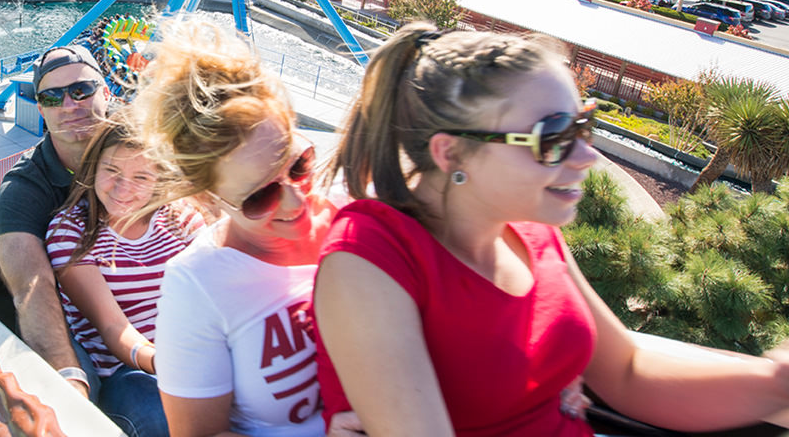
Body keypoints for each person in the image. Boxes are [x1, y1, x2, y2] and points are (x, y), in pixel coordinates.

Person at [313, 23, 789, 437]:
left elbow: (627, 373)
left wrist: (776, 382)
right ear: (451, 153)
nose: (587, 157)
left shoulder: (529, 230)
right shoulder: (369, 258)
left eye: (584, 126)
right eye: (553, 138)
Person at [130, 19, 356, 437]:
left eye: (300, 164)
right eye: (260, 197)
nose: (296, 199)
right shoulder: (198, 286)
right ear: (209, 199)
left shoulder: (354, 214)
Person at [46, 117, 204, 437]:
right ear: (93, 168)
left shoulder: (179, 218)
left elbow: (217, 289)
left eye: (141, 176)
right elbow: (113, 327)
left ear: (159, 177)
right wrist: (163, 364)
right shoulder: (71, 233)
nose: (122, 189)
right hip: (126, 372)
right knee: (161, 417)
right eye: (112, 171)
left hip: (190, 356)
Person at [0, 45, 113, 399]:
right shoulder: (25, 188)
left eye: (81, 91)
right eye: (51, 97)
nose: (69, 106)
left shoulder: (142, 147)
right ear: (41, 111)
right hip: (77, 326)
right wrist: (68, 376)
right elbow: (31, 286)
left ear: (106, 93)